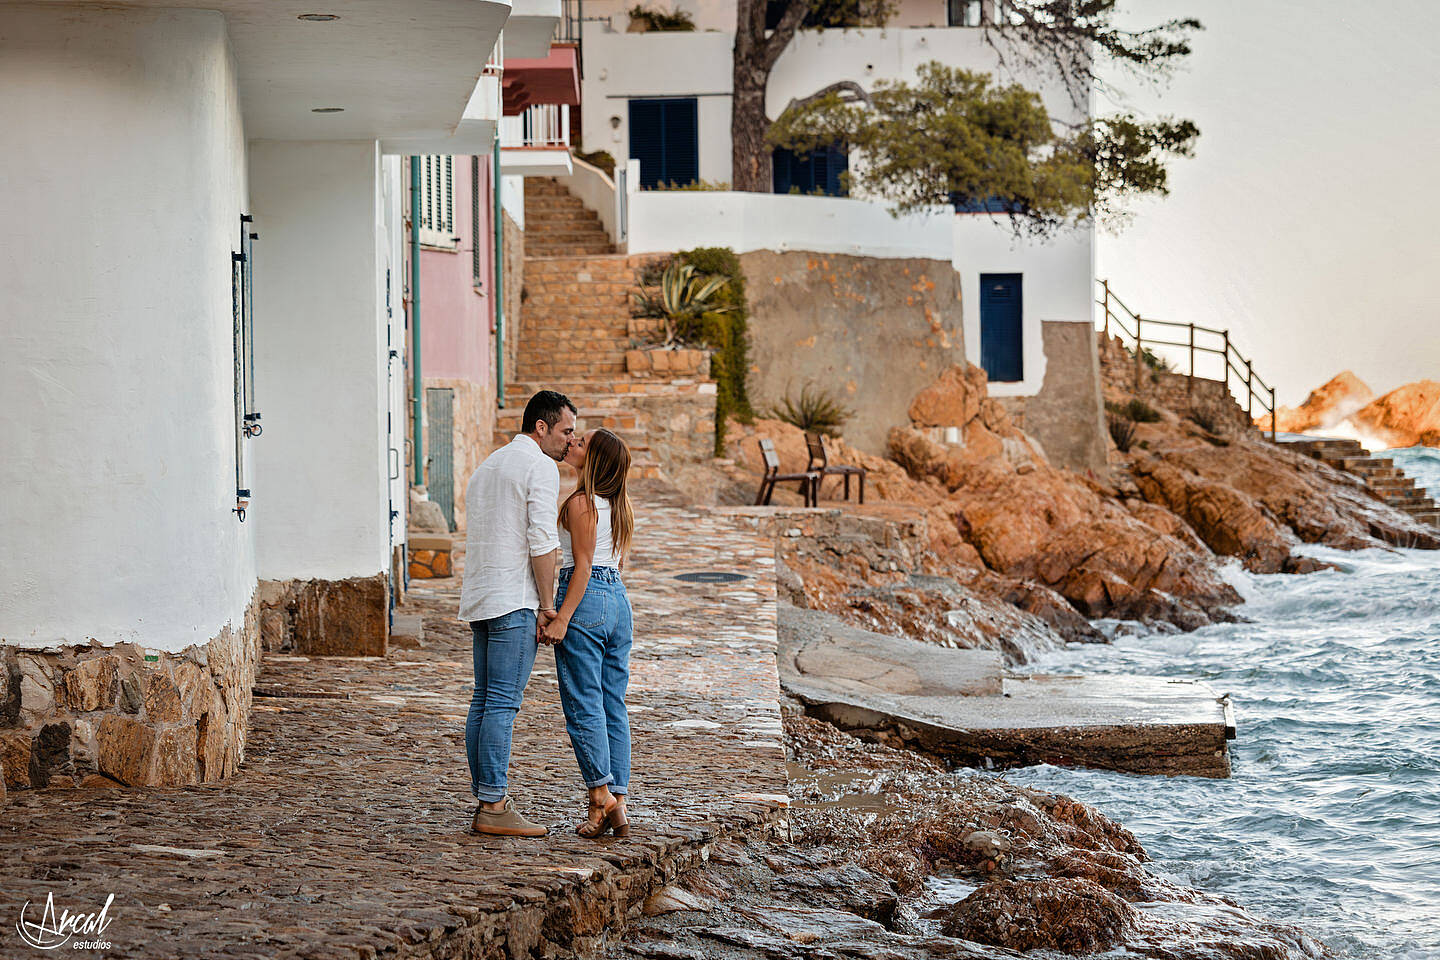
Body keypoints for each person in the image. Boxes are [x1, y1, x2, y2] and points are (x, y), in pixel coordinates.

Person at [460, 389, 577, 837]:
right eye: (565, 431)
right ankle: (492, 804)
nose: (570, 441)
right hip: (514, 600)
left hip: (483, 598)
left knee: (483, 699)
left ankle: (488, 796)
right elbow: (542, 541)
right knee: (502, 704)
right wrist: (548, 605)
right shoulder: (539, 466)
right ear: (541, 427)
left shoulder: (488, 465)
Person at [540, 428, 636, 839]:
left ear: (594, 460)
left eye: (582, 443)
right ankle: (616, 803)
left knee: (584, 704)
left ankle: (601, 796)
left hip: (588, 598)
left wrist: (561, 617)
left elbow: (581, 567)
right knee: (612, 703)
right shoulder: (618, 505)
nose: (573, 443)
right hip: (617, 601)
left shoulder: (581, 504)